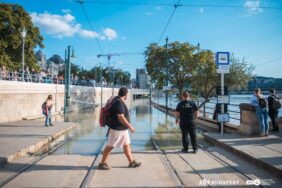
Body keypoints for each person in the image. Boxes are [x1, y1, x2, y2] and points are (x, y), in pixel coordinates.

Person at [98, 87, 141, 170]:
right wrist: (130, 127)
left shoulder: (117, 100)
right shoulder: (119, 103)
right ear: (126, 95)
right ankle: (102, 163)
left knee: (126, 145)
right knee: (110, 146)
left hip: (122, 129)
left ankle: (131, 162)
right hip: (117, 129)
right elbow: (121, 117)